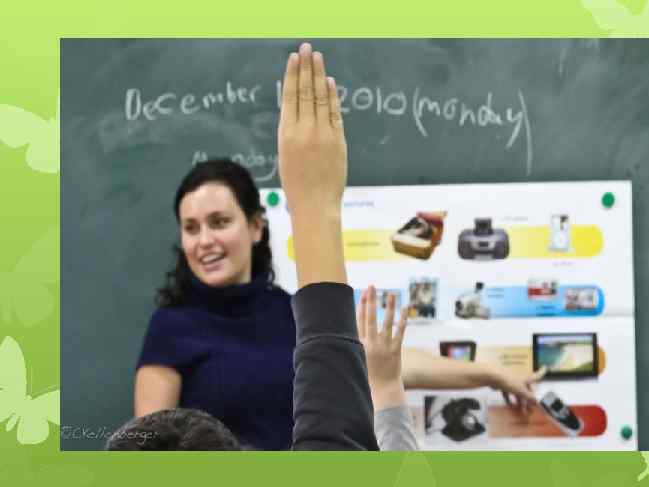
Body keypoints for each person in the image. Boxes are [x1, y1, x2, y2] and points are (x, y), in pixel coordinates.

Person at [133, 42, 544, 450]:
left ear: (256, 227)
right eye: (191, 228)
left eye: (219, 222)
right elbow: (150, 452)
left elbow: (384, 363)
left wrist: (492, 373)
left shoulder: (291, 314)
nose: (204, 240)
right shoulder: (172, 329)